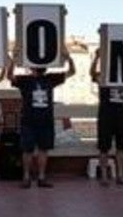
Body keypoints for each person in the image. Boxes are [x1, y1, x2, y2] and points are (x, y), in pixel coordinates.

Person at [6, 47, 76, 189]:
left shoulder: (50, 78)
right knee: (27, 151)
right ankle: (26, 177)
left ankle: (41, 177)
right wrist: (13, 60)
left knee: (44, 150)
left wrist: (68, 58)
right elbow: (10, 77)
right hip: (28, 121)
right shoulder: (25, 80)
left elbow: (72, 72)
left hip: (45, 121)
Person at [89, 50, 123, 186]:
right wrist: (97, 57)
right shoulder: (103, 77)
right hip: (106, 115)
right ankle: (104, 176)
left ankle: (120, 175)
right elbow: (92, 74)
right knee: (104, 147)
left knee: (122, 147)